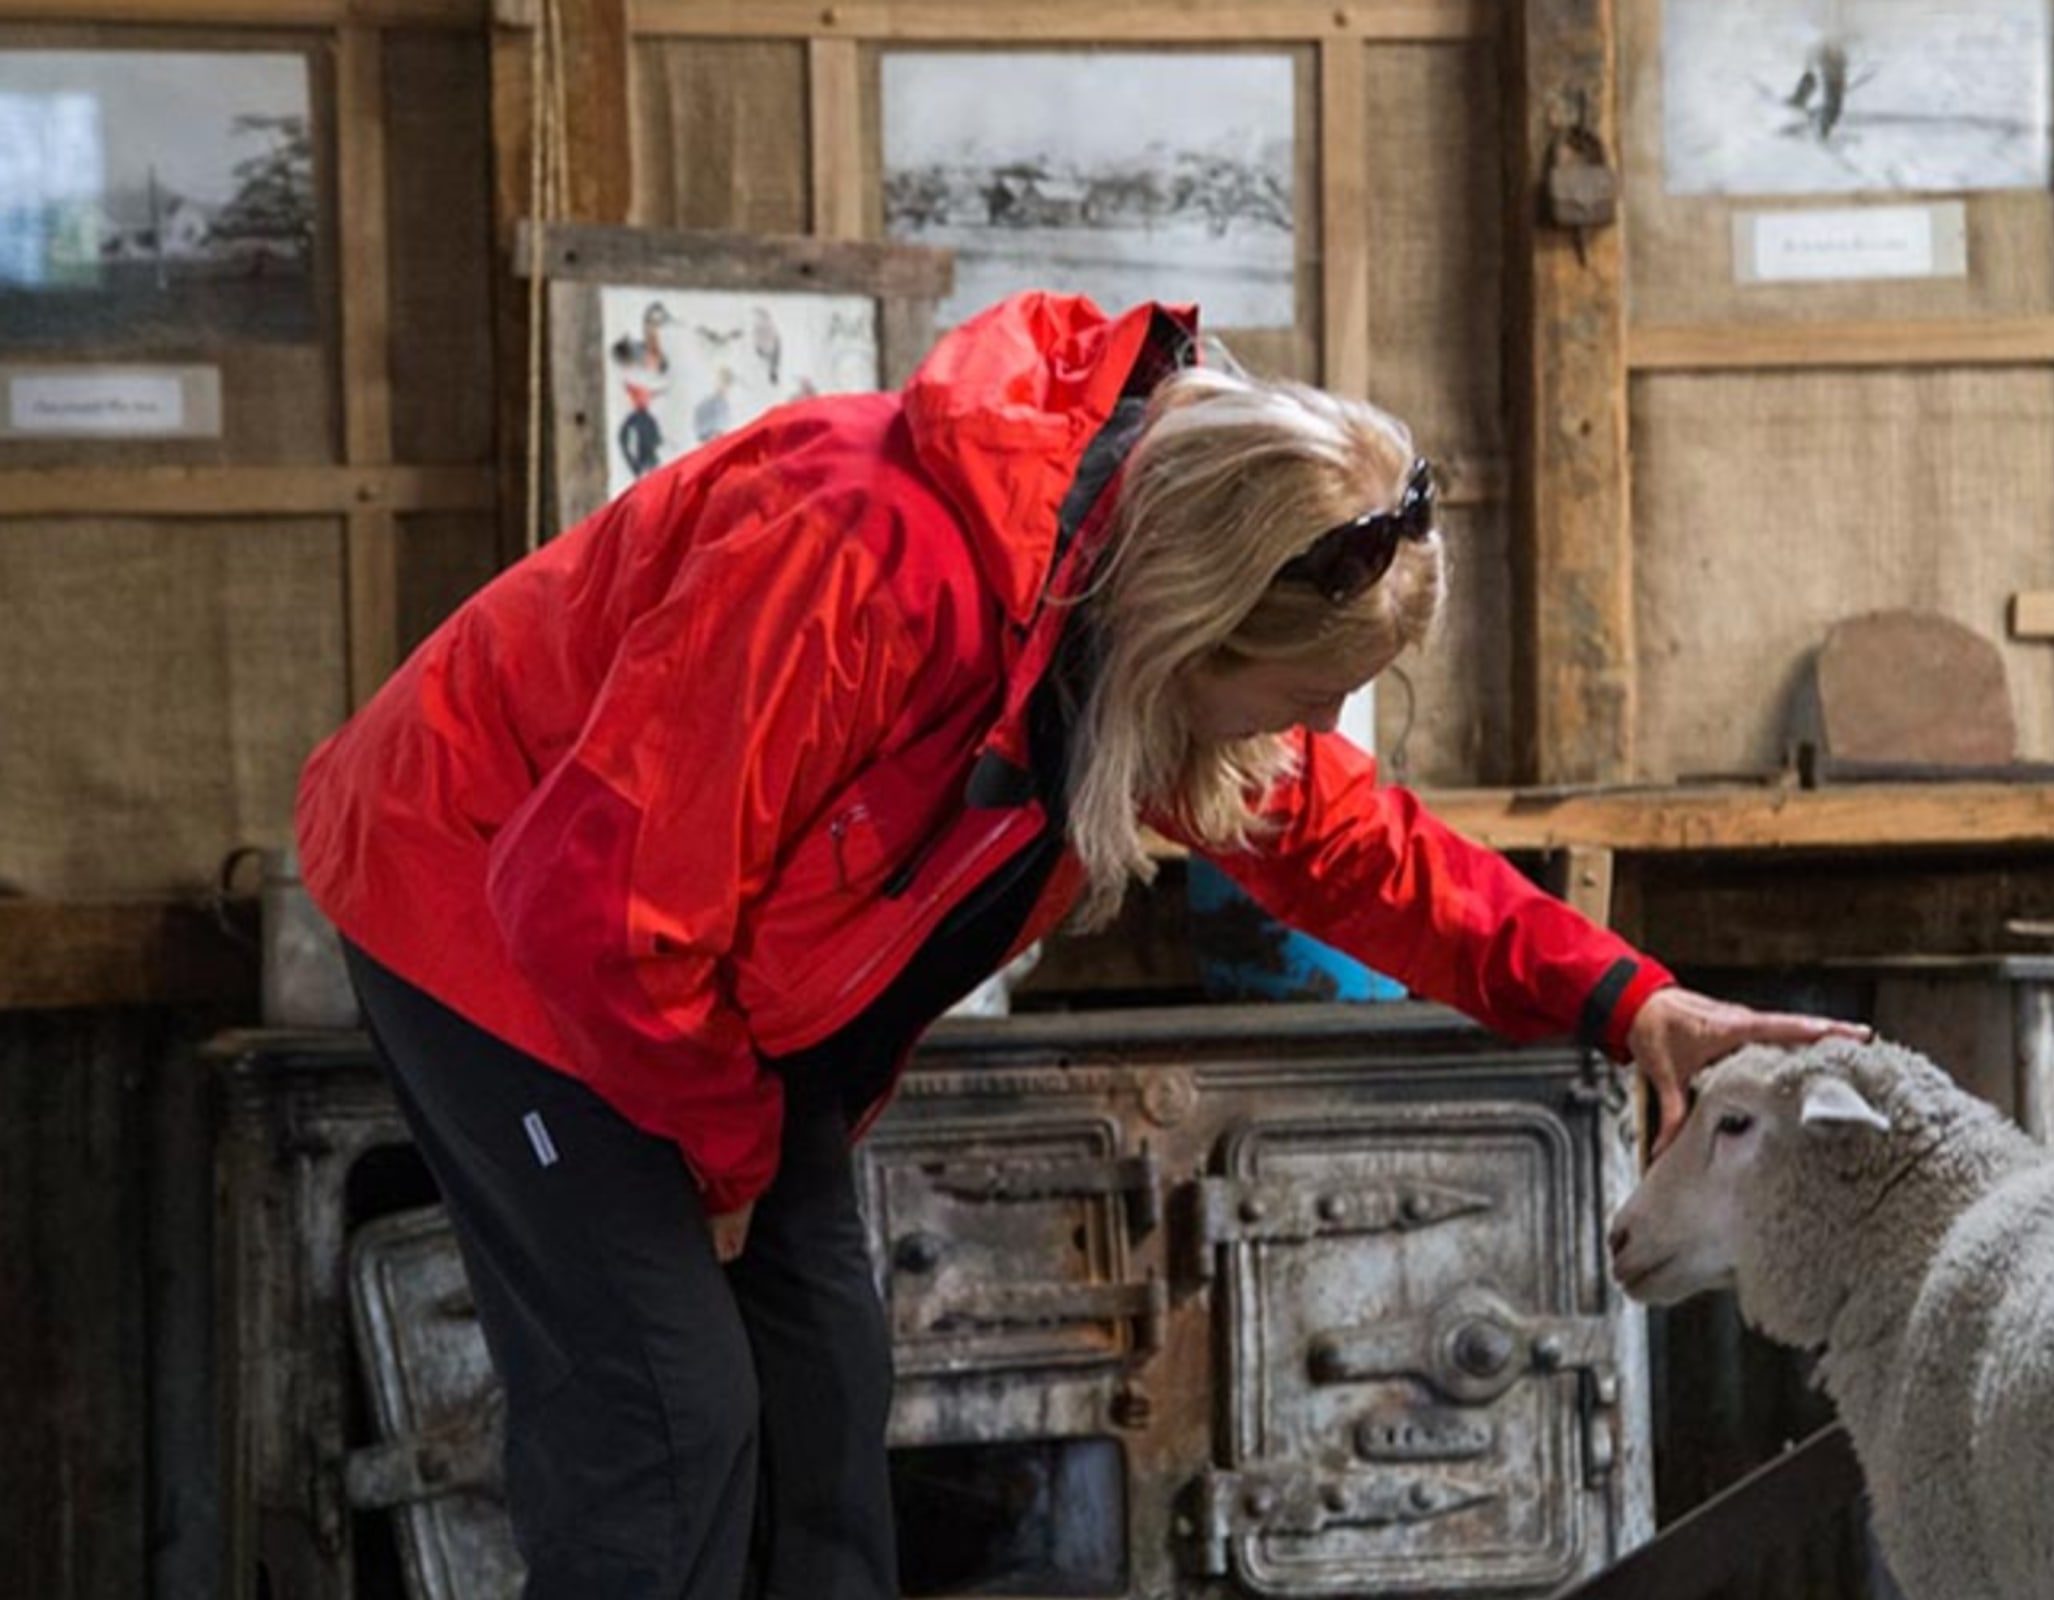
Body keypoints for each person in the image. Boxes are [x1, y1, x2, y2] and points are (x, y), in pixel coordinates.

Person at [295, 291, 1867, 1599]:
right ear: (1204, 627)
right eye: (1307, 697)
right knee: (668, 1418)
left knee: (824, 1393)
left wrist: (1628, 1003)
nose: (1316, 735)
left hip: (708, 994)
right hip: (496, 916)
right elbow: (602, 912)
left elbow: (1354, 849)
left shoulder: (1118, 629)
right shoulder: (857, 562)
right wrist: (718, 1168)